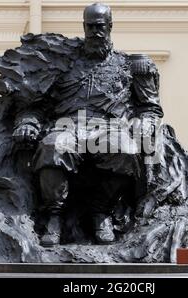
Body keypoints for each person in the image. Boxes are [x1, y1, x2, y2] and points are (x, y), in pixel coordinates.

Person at [11, 2, 163, 246]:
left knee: (126, 149)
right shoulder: (62, 64)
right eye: (90, 27)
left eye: (100, 26)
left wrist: (145, 126)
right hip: (67, 126)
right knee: (53, 146)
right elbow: (35, 104)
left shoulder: (132, 65)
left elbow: (149, 108)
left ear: (110, 27)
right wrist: (28, 122)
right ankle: (54, 216)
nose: (95, 32)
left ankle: (100, 211)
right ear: (83, 27)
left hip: (110, 127)